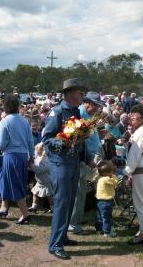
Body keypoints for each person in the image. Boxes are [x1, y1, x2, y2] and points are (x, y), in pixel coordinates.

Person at [42, 78, 88, 260]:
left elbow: (79, 137)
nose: (82, 95)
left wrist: (84, 152)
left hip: (74, 162)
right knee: (61, 203)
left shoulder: (76, 111)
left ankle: (62, 237)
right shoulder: (58, 111)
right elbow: (46, 139)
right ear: (70, 94)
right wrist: (65, 141)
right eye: (79, 93)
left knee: (69, 202)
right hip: (60, 163)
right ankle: (55, 245)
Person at [0, 94, 34, 224]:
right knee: (5, 179)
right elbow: (30, 140)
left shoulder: (5, 121)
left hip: (11, 156)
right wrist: (31, 155)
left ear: (5, 107)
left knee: (14, 183)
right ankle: (3, 208)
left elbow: (2, 143)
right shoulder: (24, 121)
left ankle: (25, 214)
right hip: (23, 156)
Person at [68, 91, 105, 234]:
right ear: (88, 103)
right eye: (96, 105)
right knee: (78, 192)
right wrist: (89, 158)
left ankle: (76, 219)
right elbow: (80, 142)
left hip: (89, 158)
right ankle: (73, 223)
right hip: (83, 159)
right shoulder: (81, 115)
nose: (98, 108)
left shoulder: (89, 116)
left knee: (82, 191)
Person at [122, 104, 143, 245]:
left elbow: (134, 156)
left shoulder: (142, 132)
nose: (132, 118)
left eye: (135, 116)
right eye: (131, 115)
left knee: (141, 203)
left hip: (142, 173)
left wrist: (126, 173)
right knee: (142, 203)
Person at [94, 160, 118, 237]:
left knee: (99, 216)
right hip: (106, 201)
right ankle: (107, 232)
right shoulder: (107, 179)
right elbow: (115, 182)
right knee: (107, 216)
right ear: (108, 173)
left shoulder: (99, 177)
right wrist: (113, 176)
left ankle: (99, 229)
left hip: (99, 200)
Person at [28, 142, 54, 213]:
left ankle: (53, 207)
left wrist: (31, 166)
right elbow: (34, 167)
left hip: (46, 181)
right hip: (40, 181)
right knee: (35, 192)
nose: (35, 152)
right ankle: (34, 206)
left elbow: (39, 169)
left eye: (37, 150)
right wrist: (30, 165)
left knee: (49, 195)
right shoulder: (38, 158)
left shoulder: (46, 160)